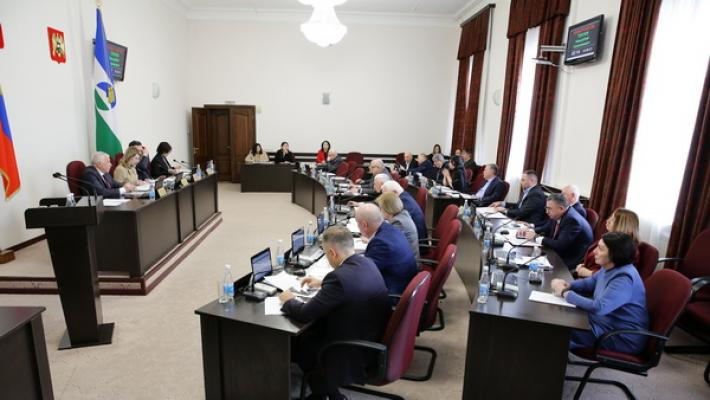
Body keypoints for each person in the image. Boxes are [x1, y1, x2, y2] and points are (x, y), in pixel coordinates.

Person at [279, 225, 390, 400]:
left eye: (325, 253)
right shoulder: (366, 262)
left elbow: (304, 314)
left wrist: (288, 300)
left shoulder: (338, 278)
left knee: (297, 344)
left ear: (332, 252)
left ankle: (327, 394)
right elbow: (350, 284)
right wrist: (323, 283)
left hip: (348, 348)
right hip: (370, 334)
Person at [551, 232, 649, 354]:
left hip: (620, 337)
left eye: (600, 249)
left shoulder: (624, 279)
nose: (594, 252)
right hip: (604, 324)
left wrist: (565, 293)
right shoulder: (609, 266)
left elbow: (600, 307)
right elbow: (591, 282)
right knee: (559, 323)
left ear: (615, 254)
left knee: (558, 330)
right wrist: (568, 285)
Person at [356, 203, 418, 295]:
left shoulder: (381, 243)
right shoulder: (391, 229)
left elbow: (363, 274)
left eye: (358, 224)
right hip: (402, 282)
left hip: (393, 292)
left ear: (364, 225)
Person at [523, 193, 594, 270]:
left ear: (561, 208)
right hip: (556, 253)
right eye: (546, 208)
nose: (547, 212)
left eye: (549, 209)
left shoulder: (572, 220)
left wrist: (536, 237)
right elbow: (546, 227)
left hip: (567, 260)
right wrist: (530, 230)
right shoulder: (559, 214)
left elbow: (560, 245)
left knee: (531, 267)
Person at [576, 208, 640, 278]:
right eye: (610, 217)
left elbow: (614, 275)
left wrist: (589, 273)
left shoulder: (627, 250)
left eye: (612, 220)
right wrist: (582, 265)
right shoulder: (611, 238)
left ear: (622, 225)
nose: (607, 221)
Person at [375, 192, 420, 258]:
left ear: (387, 209)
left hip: (406, 261)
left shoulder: (399, 223)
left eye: (381, 208)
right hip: (404, 256)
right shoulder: (402, 214)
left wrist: (371, 239)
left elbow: (387, 244)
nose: (380, 211)